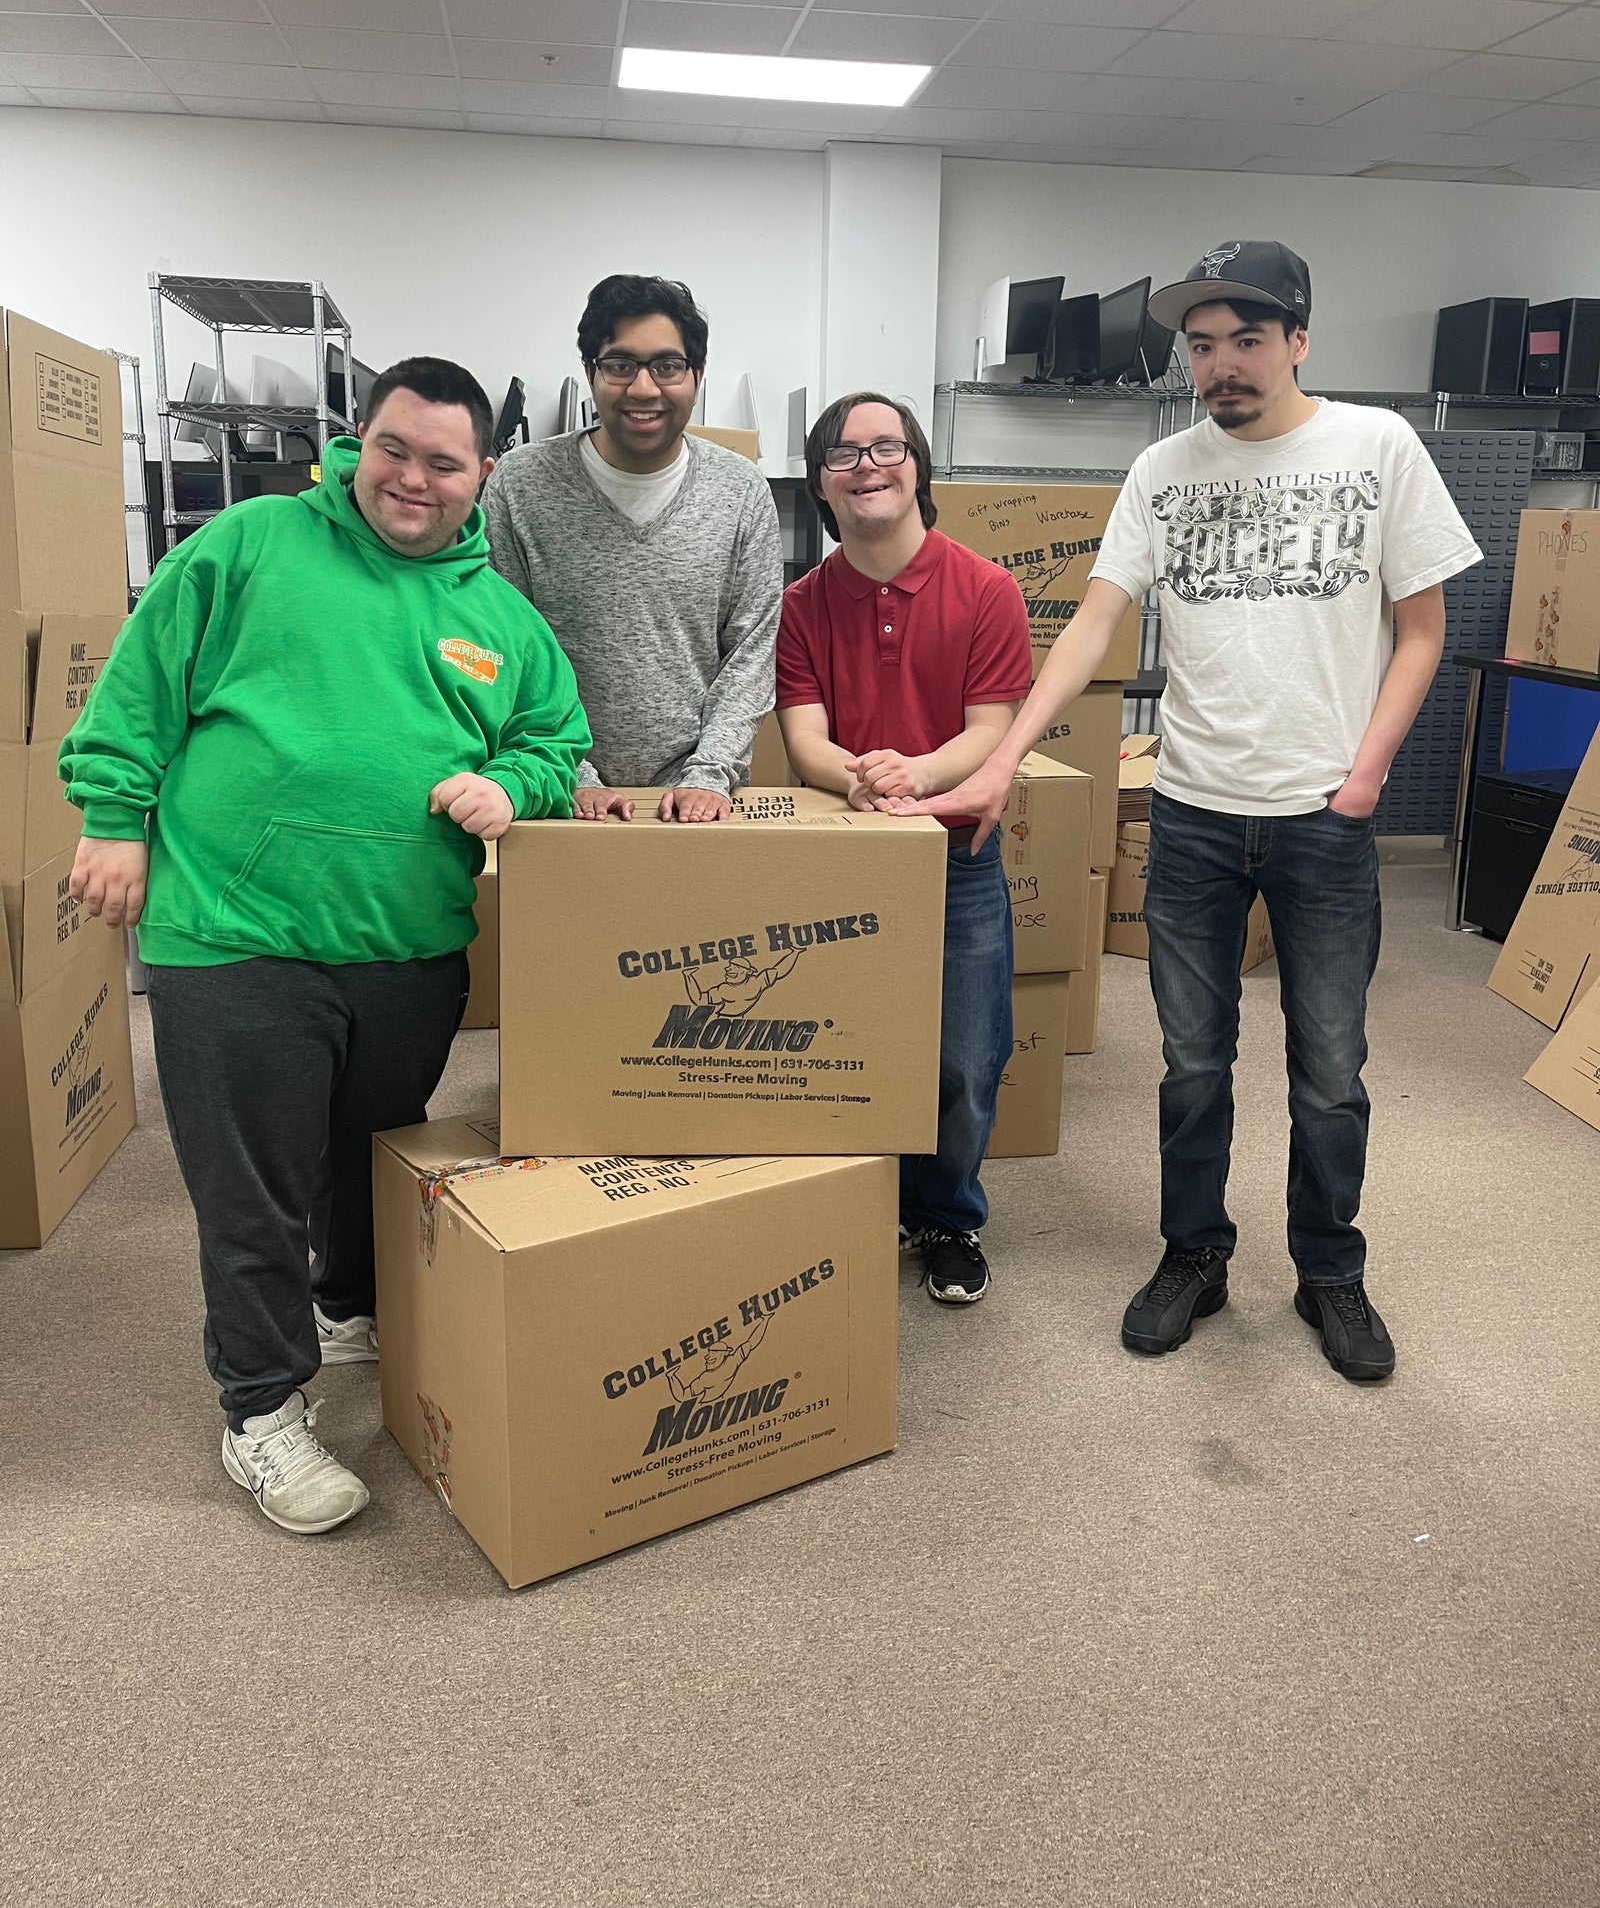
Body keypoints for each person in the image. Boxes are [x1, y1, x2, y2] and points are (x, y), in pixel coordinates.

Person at [913, 243, 1482, 1380]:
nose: (1221, 364)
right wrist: (1005, 758)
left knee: (1331, 1068)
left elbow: (1422, 630)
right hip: (1190, 816)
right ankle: (1195, 1254)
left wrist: (1365, 776)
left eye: (1247, 340)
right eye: (1202, 344)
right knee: (1190, 1063)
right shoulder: (1161, 469)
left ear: (1299, 341)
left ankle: (1329, 1269)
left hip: (1324, 816)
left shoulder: (1378, 446)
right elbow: (1091, 625)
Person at [60, 358, 589, 1534]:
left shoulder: (500, 618)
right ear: (359, 441)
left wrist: (512, 783)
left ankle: (348, 1309)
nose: (412, 479)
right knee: (251, 1189)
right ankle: (260, 1409)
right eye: (393, 449)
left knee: (370, 1157)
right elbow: (141, 684)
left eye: (443, 463)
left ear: (482, 475)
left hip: (405, 945)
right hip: (232, 929)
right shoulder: (250, 544)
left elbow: (555, 739)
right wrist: (112, 817)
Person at [776, 392, 1033, 1306]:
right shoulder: (802, 604)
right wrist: (857, 779)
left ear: (918, 465)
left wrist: (913, 775)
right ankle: (865, 1200)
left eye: (887, 447)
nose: (867, 466)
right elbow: (804, 737)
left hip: (957, 860)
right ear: (821, 486)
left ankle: (949, 1215)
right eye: (844, 455)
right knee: (835, 1050)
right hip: (845, 857)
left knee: (965, 1060)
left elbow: (992, 731)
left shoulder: (987, 590)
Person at [483, 273, 783, 823]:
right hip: (553, 790)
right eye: (620, 365)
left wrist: (709, 774)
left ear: (697, 376)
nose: (644, 389)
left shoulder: (741, 492)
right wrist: (567, 770)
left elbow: (751, 654)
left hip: (698, 801)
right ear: (590, 373)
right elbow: (506, 646)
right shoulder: (520, 484)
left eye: (667, 366)